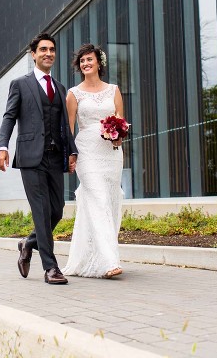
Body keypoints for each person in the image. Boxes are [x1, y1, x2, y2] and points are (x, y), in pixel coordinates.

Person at [0, 33, 78, 285]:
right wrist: (2, 147)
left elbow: (64, 124)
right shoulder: (20, 84)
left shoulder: (61, 88)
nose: (48, 53)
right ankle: (51, 268)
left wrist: (72, 151)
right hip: (31, 157)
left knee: (57, 211)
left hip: (55, 156)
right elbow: (9, 116)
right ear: (33, 54)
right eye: (43, 49)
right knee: (41, 211)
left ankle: (27, 242)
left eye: (52, 49)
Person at [63, 43, 125, 279]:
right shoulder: (74, 93)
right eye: (82, 61)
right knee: (98, 199)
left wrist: (119, 137)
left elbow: (121, 120)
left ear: (99, 62)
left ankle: (94, 257)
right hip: (87, 151)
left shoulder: (114, 90)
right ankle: (110, 262)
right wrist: (70, 155)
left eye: (89, 59)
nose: (86, 64)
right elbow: (69, 128)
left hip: (111, 152)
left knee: (109, 201)